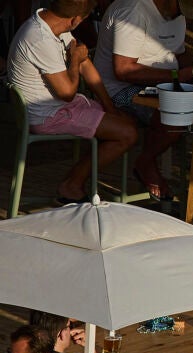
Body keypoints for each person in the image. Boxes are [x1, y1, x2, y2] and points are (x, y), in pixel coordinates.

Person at [7, 0, 137, 204]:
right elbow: (67, 93)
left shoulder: (52, 23)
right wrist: (75, 60)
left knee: (126, 122)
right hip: (47, 116)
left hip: (60, 107)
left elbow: (85, 64)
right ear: (75, 20)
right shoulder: (40, 39)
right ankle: (71, 184)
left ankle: (76, 178)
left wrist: (109, 106)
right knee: (127, 134)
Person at [94, 0, 193, 201]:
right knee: (175, 113)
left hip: (159, 84)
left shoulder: (175, 14)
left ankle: (152, 160)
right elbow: (123, 70)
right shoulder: (132, 11)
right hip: (117, 91)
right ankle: (146, 161)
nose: (181, 13)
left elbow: (178, 55)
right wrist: (176, 76)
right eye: (180, 7)